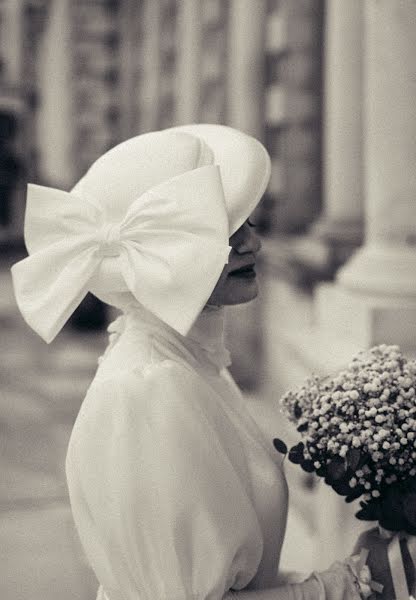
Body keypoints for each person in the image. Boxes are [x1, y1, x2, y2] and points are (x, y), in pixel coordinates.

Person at [11, 125, 370, 600]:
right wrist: (352, 587)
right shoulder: (149, 388)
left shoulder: (193, 363)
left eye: (249, 224)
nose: (252, 245)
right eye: (222, 231)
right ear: (156, 257)